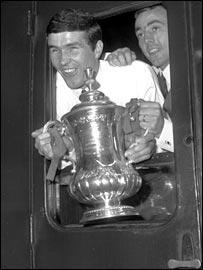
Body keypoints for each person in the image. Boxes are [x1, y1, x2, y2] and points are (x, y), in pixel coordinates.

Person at [31, 8, 164, 177]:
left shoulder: (136, 74)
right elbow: (58, 163)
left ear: (97, 49)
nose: (63, 61)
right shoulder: (47, 91)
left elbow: (166, 138)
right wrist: (56, 149)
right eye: (55, 50)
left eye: (72, 49)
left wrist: (151, 146)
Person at [106, 4, 173, 153]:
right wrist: (112, 60)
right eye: (140, 34)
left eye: (155, 28)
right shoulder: (150, 76)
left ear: (178, 26)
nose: (147, 40)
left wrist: (164, 130)